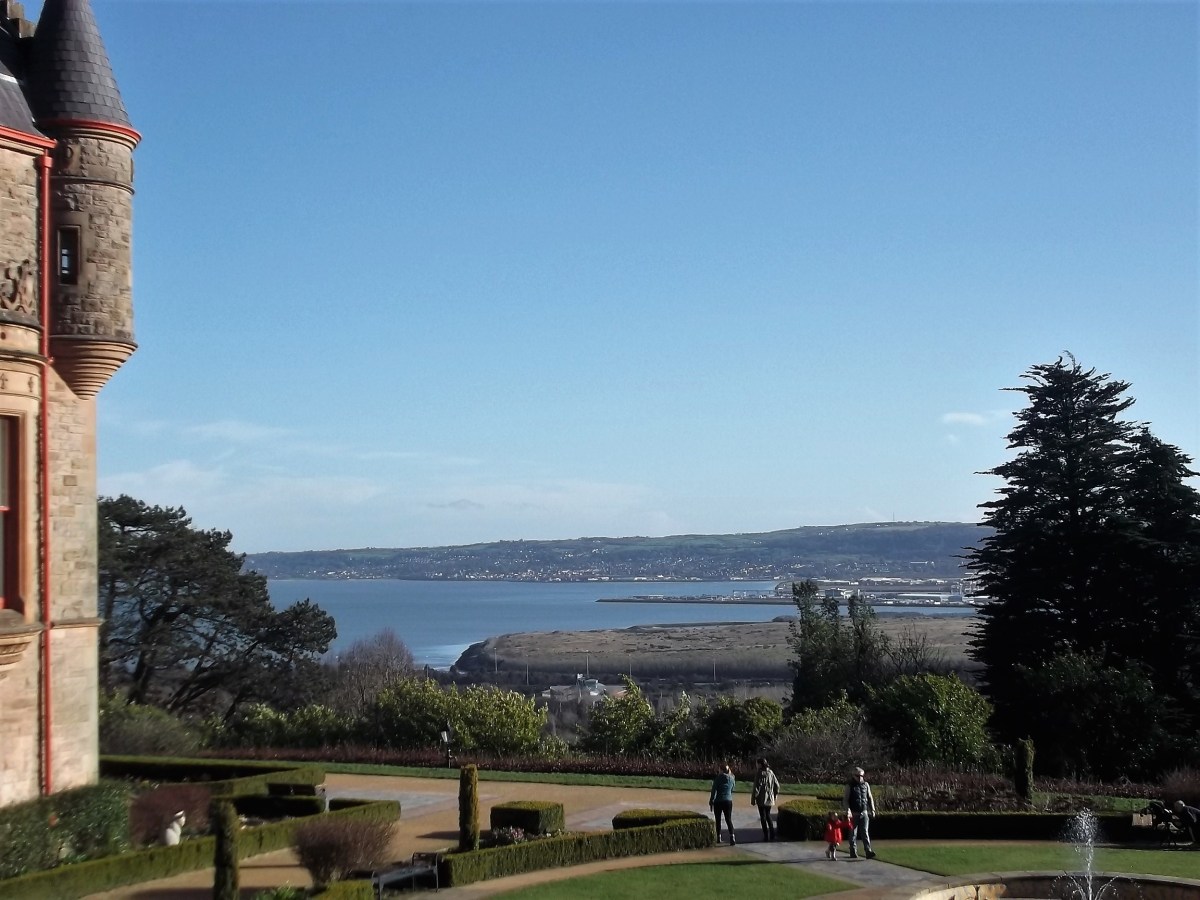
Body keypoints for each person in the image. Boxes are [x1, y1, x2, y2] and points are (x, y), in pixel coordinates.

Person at [843, 766, 877, 858]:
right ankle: (853, 850)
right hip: (854, 813)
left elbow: (870, 798)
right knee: (853, 833)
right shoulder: (849, 786)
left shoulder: (866, 785)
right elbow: (845, 800)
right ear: (853, 776)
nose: (860, 778)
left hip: (864, 812)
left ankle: (868, 851)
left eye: (862, 776)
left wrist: (873, 809)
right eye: (858, 776)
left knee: (865, 832)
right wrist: (848, 810)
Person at [751, 757, 781, 841]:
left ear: (760, 764)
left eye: (757, 763)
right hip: (769, 798)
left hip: (761, 799)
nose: (756, 765)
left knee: (763, 817)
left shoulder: (759, 774)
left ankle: (765, 835)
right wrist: (774, 795)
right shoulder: (771, 772)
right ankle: (772, 834)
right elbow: (777, 785)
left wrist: (753, 799)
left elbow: (756, 788)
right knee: (768, 815)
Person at [709, 763, 736, 845]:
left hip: (718, 801)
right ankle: (732, 836)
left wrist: (711, 800)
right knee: (728, 819)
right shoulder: (732, 778)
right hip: (728, 801)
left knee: (718, 820)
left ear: (721, 770)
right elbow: (732, 789)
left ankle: (718, 837)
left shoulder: (718, 778)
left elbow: (714, 791)